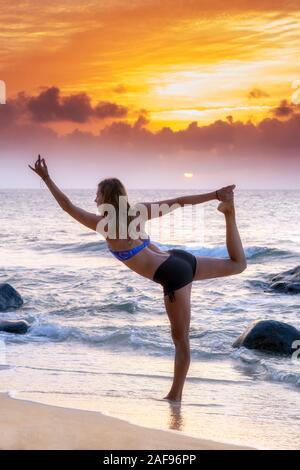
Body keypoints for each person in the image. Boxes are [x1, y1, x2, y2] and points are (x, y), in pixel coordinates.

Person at [29, 155, 247, 402]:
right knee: (238, 264)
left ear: (107, 198)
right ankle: (228, 211)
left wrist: (46, 179)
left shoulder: (105, 225)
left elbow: (67, 206)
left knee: (181, 340)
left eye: (97, 195)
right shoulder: (139, 212)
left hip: (173, 275)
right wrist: (216, 194)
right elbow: (179, 202)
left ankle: (175, 397)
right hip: (179, 258)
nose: (94, 199)